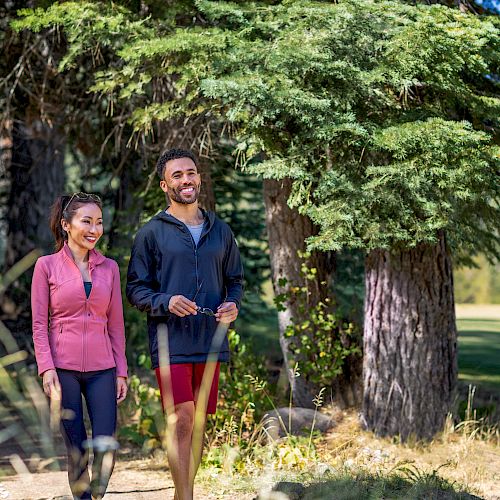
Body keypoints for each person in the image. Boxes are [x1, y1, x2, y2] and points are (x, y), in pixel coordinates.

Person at [126, 149, 243, 500]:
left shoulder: (220, 231)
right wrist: (166, 301)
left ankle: (182, 495)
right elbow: (135, 289)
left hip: (210, 341)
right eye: (177, 175)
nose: (186, 180)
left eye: (190, 173)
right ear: (165, 185)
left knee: (199, 426)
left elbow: (235, 280)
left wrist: (233, 304)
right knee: (183, 420)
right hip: (170, 342)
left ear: (199, 179)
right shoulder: (151, 233)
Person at [31, 192, 128, 500]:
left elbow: (115, 325)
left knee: (105, 445)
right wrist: (46, 368)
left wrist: (121, 371)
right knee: (76, 448)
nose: (94, 229)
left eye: (99, 222)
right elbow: (38, 325)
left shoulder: (109, 268)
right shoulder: (45, 267)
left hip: (103, 369)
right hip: (63, 370)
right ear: (66, 225)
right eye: (86, 221)